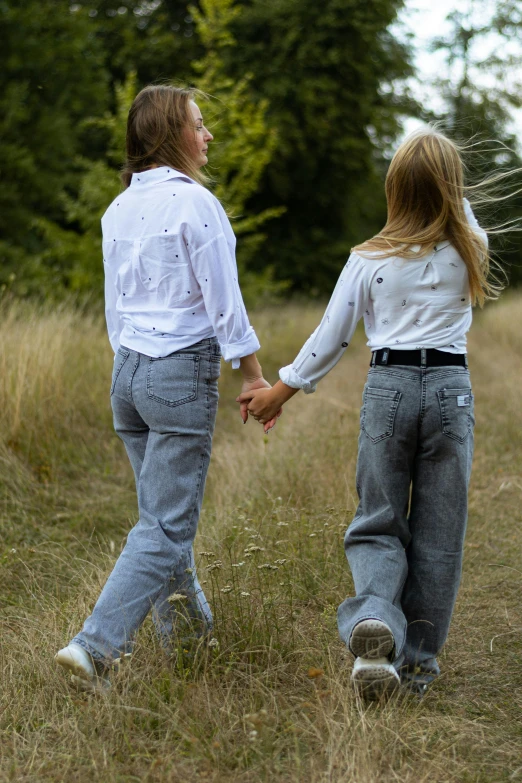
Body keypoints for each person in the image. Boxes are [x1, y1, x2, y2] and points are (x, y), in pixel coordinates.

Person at [238, 128, 498, 700]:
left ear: (394, 190)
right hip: (451, 390)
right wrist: (446, 187)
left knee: (380, 518)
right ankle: (417, 666)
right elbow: (460, 211)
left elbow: (331, 337)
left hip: (390, 388)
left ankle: (374, 622)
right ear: (452, 190)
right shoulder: (471, 247)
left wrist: (280, 390)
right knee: (440, 533)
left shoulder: (368, 258)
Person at [55, 85, 279, 691]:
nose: (208, 137)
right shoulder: (196, 205)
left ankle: (193, 644)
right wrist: (253, 374)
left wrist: (130, 368)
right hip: (177, 372)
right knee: (166, 528)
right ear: (169, 135)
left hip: (126, 373)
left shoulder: (117, 208)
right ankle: (95, 646)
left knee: (158, 521)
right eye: (198, 126)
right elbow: (225, 304)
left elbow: (114, 309)